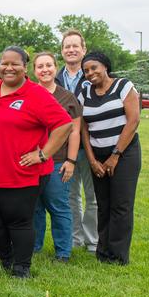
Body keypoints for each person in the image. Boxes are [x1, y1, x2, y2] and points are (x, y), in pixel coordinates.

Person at [0, 46, 72, 278]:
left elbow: (65, 124)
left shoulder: (36, 94)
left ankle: (21, 268)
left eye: (14, 64)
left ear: (24, 66)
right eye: (4, 63)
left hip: (22, 173)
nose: (8, 68)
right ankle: (7, 258)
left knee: (18, 221)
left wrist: (43, 154)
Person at [79, 51, 141, 265]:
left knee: (121, 204)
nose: (90, 73)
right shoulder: (85, 91)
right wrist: (92, 160)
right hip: (97, 154)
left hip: (124, 153)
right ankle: (102, 251)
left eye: (94, 68)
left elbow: (133, 120)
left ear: (105, 66)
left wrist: (115, 156)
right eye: (86, 70)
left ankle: (117, 254)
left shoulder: (123, 86)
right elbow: (83, 128)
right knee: (103, 204)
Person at [32, 52, 82, 262]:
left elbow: (75, 131)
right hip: (31, 160)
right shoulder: (29, 94)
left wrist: (70, 161)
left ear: (55, 67)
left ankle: (63, 252)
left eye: (49, 65)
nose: (45, 70)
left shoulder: (67, 98)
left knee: (58, 206)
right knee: (34, 208)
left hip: (58, 161)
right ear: (34, 71)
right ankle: (34, 246)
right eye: (40, 66)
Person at [55, 30, 97, 253]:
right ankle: (75, 238)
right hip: (64, 148)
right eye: (66, 46)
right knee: (70, 197)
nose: (71, 50)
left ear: (83, 49)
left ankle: (93, 241)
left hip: (91, 145)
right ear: (62, 51)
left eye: (75, 46)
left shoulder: (92, 74)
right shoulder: (54, 77)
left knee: (92, 197)